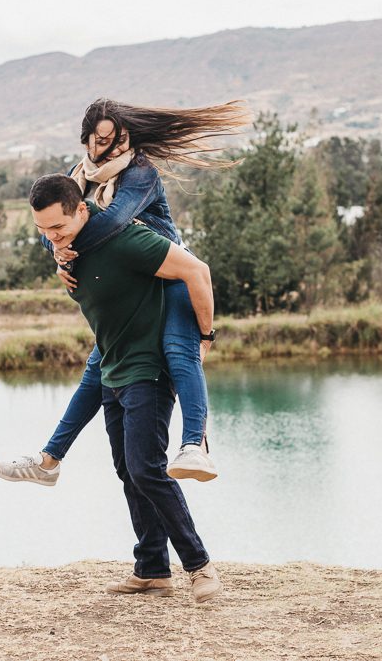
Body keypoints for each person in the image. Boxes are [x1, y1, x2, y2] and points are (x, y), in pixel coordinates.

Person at [0, 98, 250, 485]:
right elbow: (53, 229)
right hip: (134, 292)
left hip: (169, 278)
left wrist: (68, 251)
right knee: (94, 373)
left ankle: (195, 447)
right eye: (96, 140)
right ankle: (48, 462)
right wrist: (59, 253)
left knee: (182, 355)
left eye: (112, 139)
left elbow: (111, 222)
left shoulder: (140, 173)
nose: (104, 148)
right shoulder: (78, 177)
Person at [25, 173, 223, 601]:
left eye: (57, 228)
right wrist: (58, 254)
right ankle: (152, 569)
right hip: (112, 369)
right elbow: (57, 240)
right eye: (43, 231)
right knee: (129, 473)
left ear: (82, 210)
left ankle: (200, 566)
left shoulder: (124, 239)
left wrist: (205, 335)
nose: (52, 237)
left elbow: (196, 271)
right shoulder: (67, 246)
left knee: (146, 470)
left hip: (147, 369)